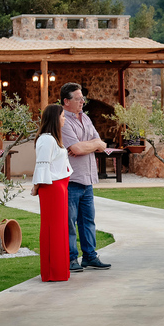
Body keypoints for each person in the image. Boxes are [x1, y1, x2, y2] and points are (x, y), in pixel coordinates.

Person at [60, 82, 110, 271]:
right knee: (70, 224)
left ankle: (90, 256)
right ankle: (72, 259)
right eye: (78, 98)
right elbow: (76, 149)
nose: (82, 102)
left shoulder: (86, 119)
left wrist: (91, 144)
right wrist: (91, 144)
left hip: (87, 180)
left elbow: (102, 144)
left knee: (88, 221)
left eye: (83, 98)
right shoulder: (63, 121)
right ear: (66, 101)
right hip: (72, 180)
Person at [32, 105, 73, 282]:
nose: (64, 119)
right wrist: (36, 187)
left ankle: (60, 270)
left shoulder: (54, 139)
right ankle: (52, 272)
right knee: (53, 229)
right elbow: (42, 165)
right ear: (55, 118)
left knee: (60, 229)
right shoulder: (47, 140)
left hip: (60, 187)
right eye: (63, 116)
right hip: (52, 188)